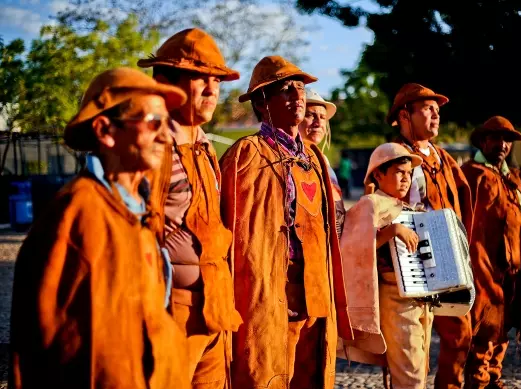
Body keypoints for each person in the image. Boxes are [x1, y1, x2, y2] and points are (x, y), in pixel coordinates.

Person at [10, 67, 190, 389]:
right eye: (152, 123)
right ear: (106, 130)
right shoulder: (75, 213)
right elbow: (41, 341)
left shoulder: (139, 209)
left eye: (167, 123)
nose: (165, 135)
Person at [219, 55, 353, 389]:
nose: (297, 97)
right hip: (267, 294)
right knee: (265, 375)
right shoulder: (247, 154)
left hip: (314, 297)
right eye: (286, 90)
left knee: (310, 378)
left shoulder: (314, 156)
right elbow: (231, 236)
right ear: (262, 102)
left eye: (300, 89)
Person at [137, 28, 242, 388]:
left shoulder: (206, 146)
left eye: (217, 80)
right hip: (170, 312)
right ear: (166, 84)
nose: (213, 90)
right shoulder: (149, 147)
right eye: (200, 78)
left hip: (215, 306)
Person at [390, 83, 474, 389]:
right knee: (413, 347)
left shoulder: (443, 158)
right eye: (427, 109)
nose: (436, 116)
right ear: (404, 115)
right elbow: (379, 208)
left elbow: (463, 205)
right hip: (410, 264)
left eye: (438, 111)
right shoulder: (391, 156)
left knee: (460, 333)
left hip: (448, 260)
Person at [462, 116, 521, 389]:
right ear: (483, 141)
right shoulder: (471, 174)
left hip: (517, 269)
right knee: (483, 330)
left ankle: (494, 379)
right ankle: (477, 382)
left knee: (506, 328)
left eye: (507, 140)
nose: (502, 145)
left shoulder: (514, 177)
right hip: (485, 268)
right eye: (496, 138)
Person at [340, 142, 435, 389]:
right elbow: (353, 250)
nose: (406, 179)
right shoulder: (370, 204)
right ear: (378, 174)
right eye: (399, 172)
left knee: (419, 367)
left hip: (420, 299)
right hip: (394, 300)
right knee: (410, 375)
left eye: (408, 174)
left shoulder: (407, 207)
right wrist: (392, 230)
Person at [298, 88, 345, 235]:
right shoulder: (291, 159)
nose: (318, 123)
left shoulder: (322, 160)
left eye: (323, 117)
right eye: (310, 115)